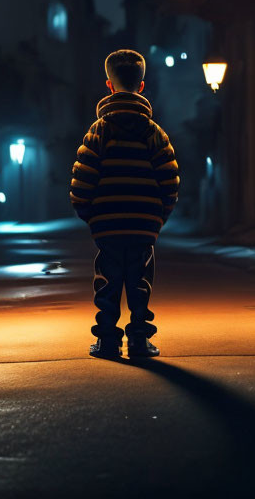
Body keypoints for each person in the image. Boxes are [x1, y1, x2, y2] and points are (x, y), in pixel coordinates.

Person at [70, 49, 179, 360]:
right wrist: (159, 217)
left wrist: (89, 215)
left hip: (107, 224)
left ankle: (107, 341)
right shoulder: (154, 133)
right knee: (140, 283)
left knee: (107, 282)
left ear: (109, 85)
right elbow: (169, 179)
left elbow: (84, 176)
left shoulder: (99, 130)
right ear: (141, 86)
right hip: (144, 224)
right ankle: (140, 342)